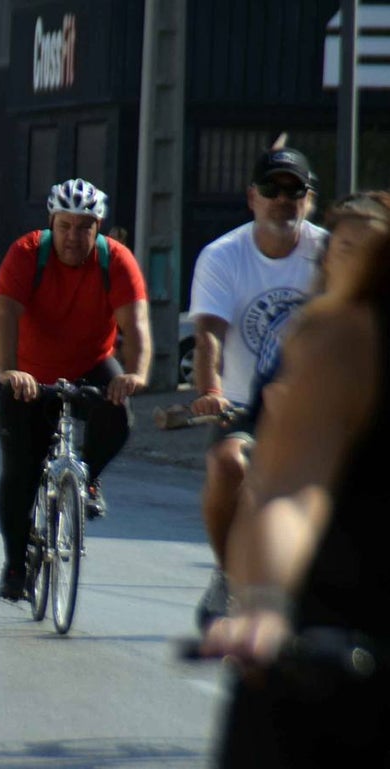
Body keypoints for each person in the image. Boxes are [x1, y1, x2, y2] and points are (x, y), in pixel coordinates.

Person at [199, 191, 390, 766]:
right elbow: (291, 489)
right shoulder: (347, 340)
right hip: (332, 626)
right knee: (233, 464)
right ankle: (229, 582)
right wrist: (263, 603)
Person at [0, 178, 151, 601]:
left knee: (117, 415)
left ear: (99, 228)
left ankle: (88, 480)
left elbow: (137, 326)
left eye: (84, 227)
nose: (73, 237)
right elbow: (3, 316)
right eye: (65, 226)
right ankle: (14, 565)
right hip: (27, 374)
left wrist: (135, 373)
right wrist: (7, 371)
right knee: (20, 472)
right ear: (51, 223)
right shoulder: (26, 254)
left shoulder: (116, 260)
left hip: (89, 363)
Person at [189, 145, 327, 629]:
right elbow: (209, 335)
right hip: (243, 405)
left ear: (309, 200)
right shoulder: (223, 256)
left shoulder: (331, 254)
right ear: (252, 197)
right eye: (271, 189)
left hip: (315, 406)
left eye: (295, 191)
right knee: (227, 465)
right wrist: (211, 390)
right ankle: (228, 574)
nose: (282, 200)